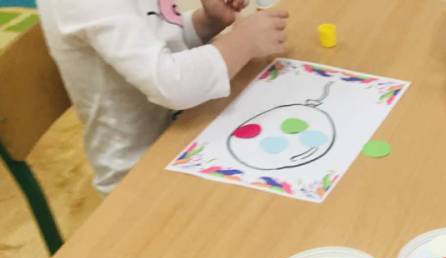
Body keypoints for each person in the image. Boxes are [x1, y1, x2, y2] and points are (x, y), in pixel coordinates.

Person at [37, 0, 289, 193]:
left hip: (184, 135)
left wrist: (205, 23)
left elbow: (157, 42)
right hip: (136, 174)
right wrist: (242, 42)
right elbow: (170, 84)